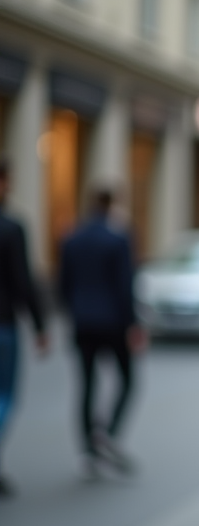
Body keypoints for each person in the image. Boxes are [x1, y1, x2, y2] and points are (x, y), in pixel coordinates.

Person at [59, 188, 141, 475]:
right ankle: (108, 433)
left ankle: (88, 449)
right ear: (112, 206)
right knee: (128, 379)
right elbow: (124, 286)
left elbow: (64, 285)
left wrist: (75, 312)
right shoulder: (118, 239)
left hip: (83, 322)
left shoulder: (71, 238)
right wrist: (133, 324)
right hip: (114, 323)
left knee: (86, 385)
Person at [0, 158, 49, 497]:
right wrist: (39, 325)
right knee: (3, 396)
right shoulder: (11, 227)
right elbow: (22, 280)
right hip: (2, 325)